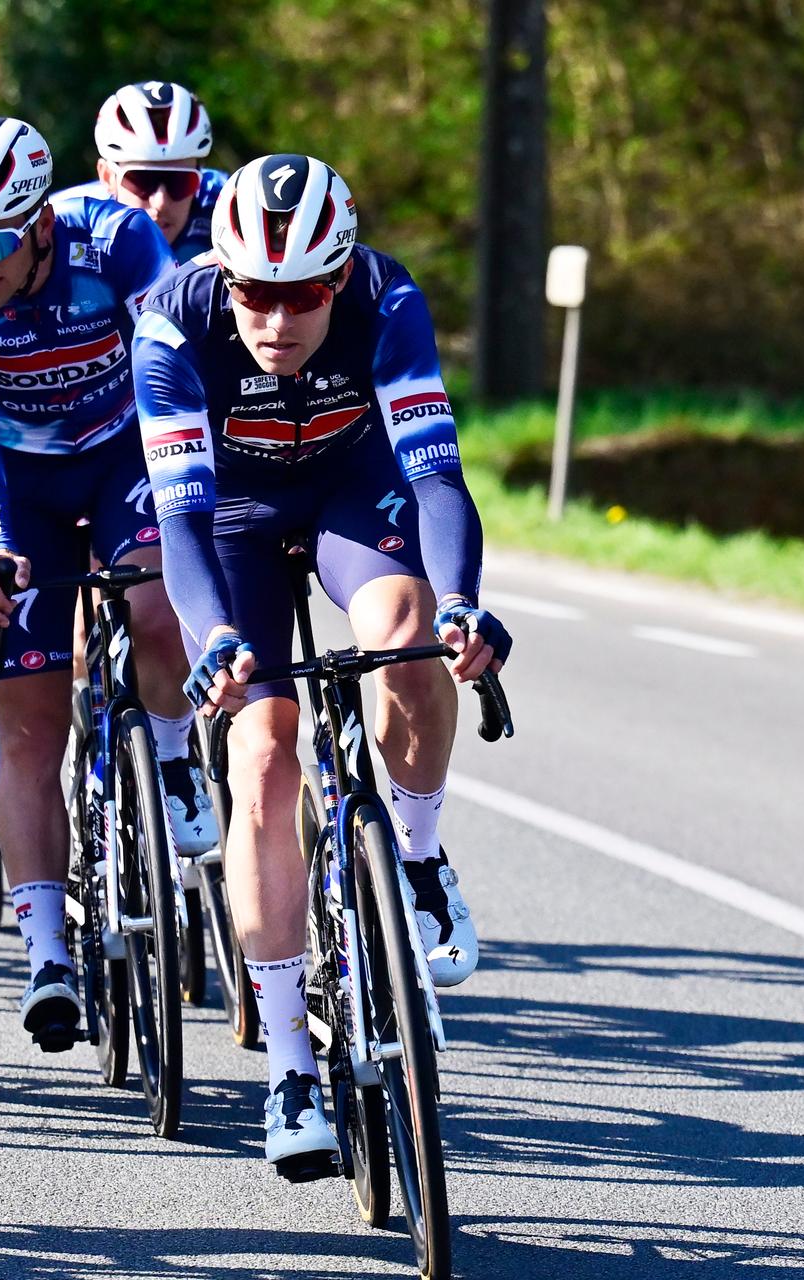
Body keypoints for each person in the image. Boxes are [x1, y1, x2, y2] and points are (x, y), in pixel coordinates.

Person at [133, 154, 512, 1175]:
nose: (276, 316)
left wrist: (466, 598)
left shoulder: (389, 301)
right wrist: (213, 637)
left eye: (302, 293)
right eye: (254, 290)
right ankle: (291, 1058)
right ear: (225, 274)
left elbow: (436, 476)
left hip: (354, 491)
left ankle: (422, 857)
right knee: (261, 750)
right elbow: (179, 523)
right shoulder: (172, 324)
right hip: (235, 521)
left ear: (338, 278)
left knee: (407, 628)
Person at [0, 116, 218, 1052]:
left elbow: (176, 371)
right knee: (29, 729)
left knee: (156, 600)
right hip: (19, 481)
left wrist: (200, 495)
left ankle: (168, 756)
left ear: (44, 221)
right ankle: (45, 950)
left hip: (124, 451)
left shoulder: (119, 239)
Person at [54, 81, 227, 263]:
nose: (160, 202)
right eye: (142, 181)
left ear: (201, 177)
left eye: (180, 182)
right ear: (107, 177)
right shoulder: (62, 224)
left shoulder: (230, 203)